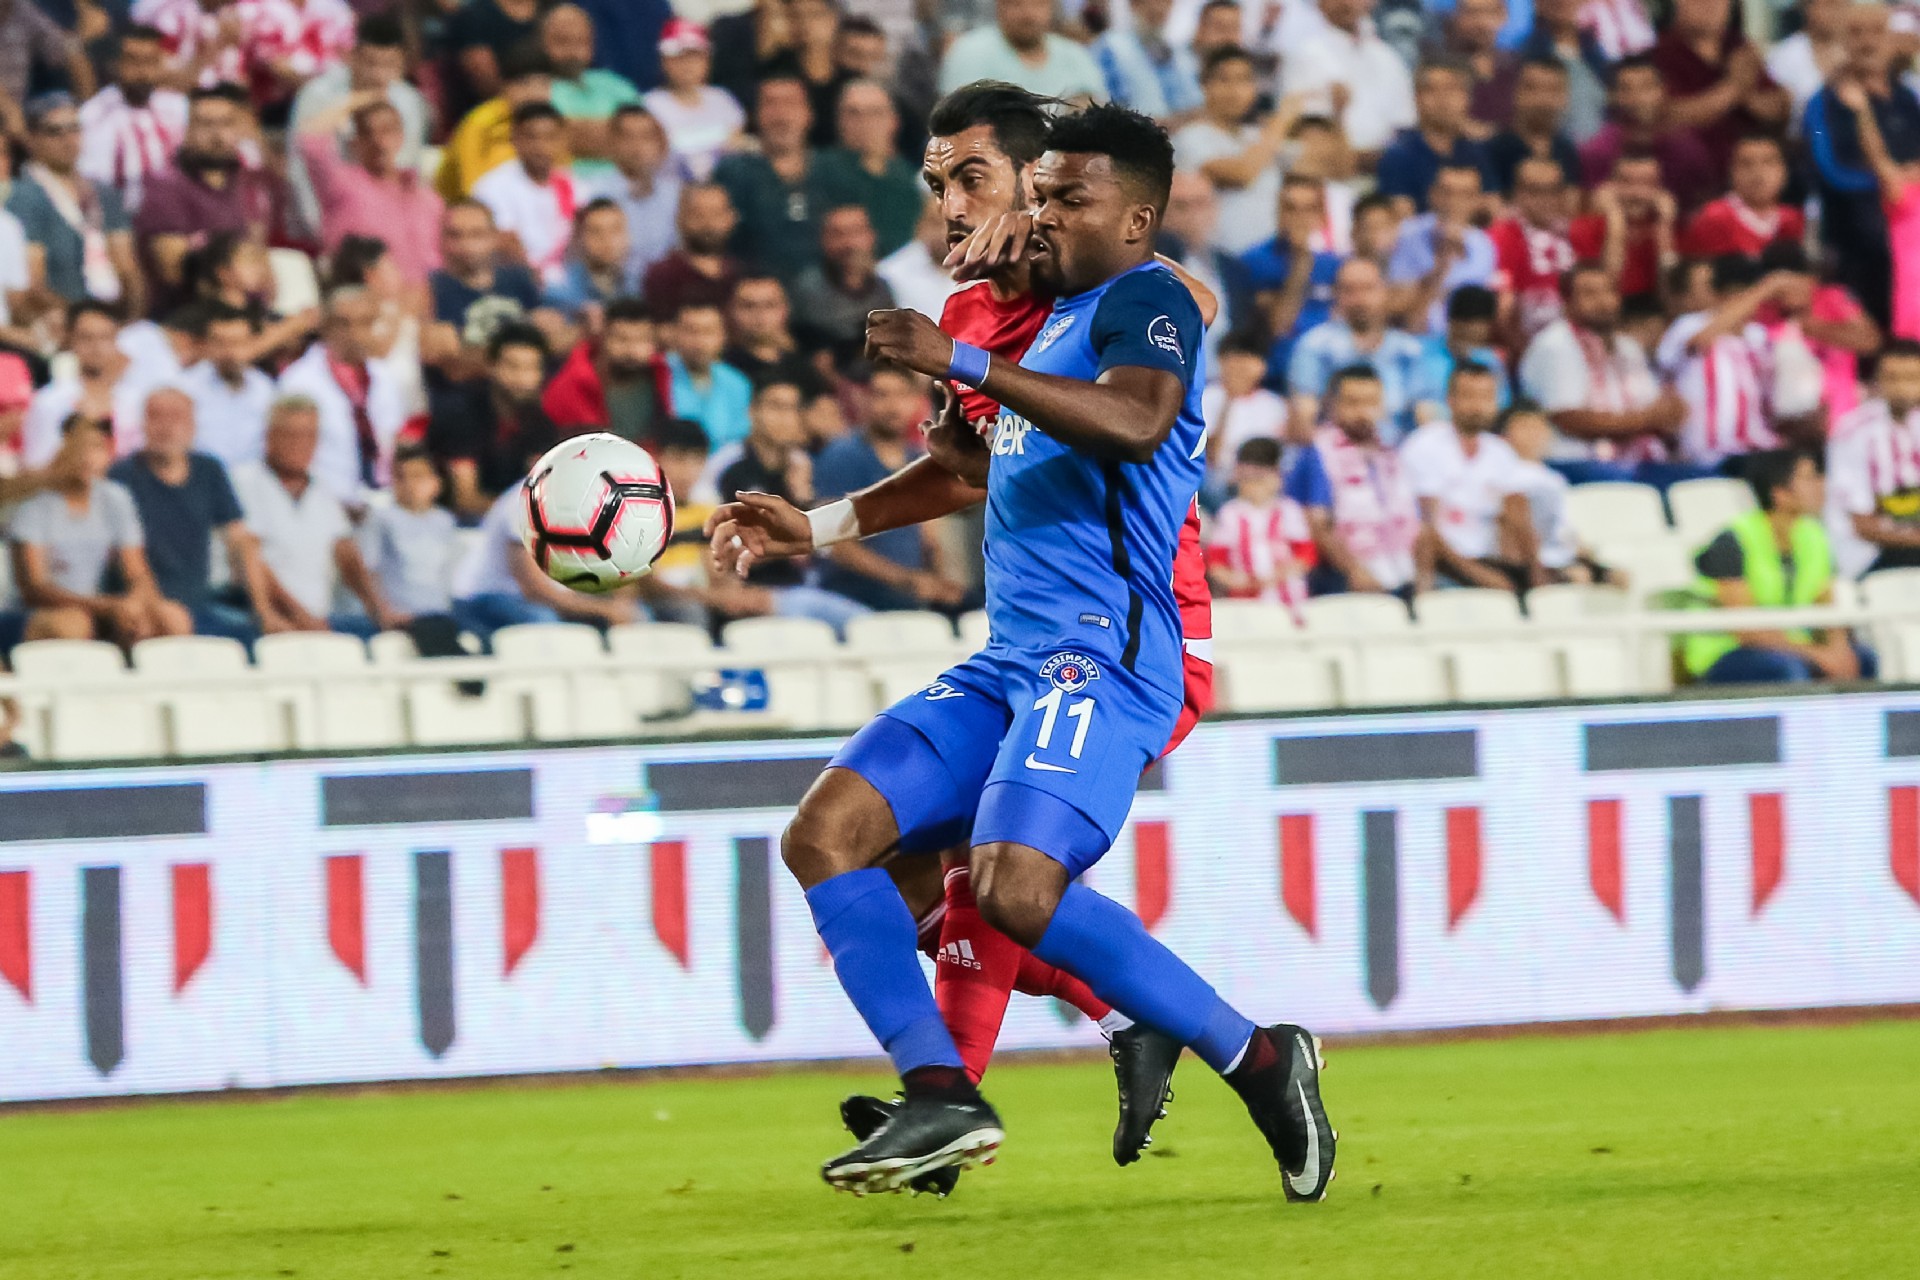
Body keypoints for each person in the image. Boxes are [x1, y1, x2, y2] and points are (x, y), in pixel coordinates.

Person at [713, 101, 1330, 1198]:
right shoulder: (1011, 316)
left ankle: (1256, 1057)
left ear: (1127, 215)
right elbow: (993, 463)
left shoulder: (1143, 296)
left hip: (1114, 651)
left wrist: (960, 358)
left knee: (1004, 882)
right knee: (828, 836)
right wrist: (824, 521)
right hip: (1013, 654)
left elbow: (1137, 415)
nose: (1026, 213)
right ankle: (941, 1094)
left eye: (1049, 194)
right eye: (1036, 195)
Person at [1684, 448, 1870, 685]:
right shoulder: (1733, 540)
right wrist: (1819, 655)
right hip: (1728, 651)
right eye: (1810, 477)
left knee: (1863, 660)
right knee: (1788, 671)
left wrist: (1839, 650)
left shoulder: (1814, 536)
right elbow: (1746, 630)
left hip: (1790, 646)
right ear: (1780, 493)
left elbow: (1826, 604)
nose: (1822, 484)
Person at [107, 385, 268, 642]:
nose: (166, 427)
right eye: (156, 416)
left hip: (201, 605)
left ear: (193, 425)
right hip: (144, 610)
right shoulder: (122, 476)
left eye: (176, 417)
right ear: (143, 423)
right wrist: (160, 610)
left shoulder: (209, 470)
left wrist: (264, 610)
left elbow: (239, 540)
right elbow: (125, 558)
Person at [11, 414, 185, 646]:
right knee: (74, 624)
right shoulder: (35, 503)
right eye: (78, 448)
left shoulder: (115, 497)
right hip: (42, 613)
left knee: (173, 617)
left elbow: (136, 570)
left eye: (96, 448)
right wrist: (106, 606)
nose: (86, 458)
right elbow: (35, 588)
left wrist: (139, 604)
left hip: (98, 608)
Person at [229, 396, 396, 637]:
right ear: (269, 436)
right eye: (291, 435)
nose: (301, 444)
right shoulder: (243, 482)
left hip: (317, 622)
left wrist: (378, 608)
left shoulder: (322, 490)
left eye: (310, 435)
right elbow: (249, 558)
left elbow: (345, 552)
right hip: (261, 623)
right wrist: (299, 615)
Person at [813, 364, 970, 612]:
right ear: (864, 400)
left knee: (975, 607)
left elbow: (931, 539)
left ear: (915, 402)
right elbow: (834, 545)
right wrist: (906, 580)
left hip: (911, 592)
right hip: (853, 593)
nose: (893, 406)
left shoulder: (920, 460)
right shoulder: (842, 456)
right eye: (882, 395)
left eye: (901, 395)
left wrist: (942, 584)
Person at [1517, 261, 1684, 482]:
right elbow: (1569, 419)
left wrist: (1669, 412)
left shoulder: (1628, 347)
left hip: (1635, 461)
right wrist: (1645, 421)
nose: (1603, 301)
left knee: (1696, 479)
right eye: (1590, 294)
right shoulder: (1555, 345)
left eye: (1609, 291)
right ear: (1567, 302)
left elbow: (1656, 408)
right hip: (1574, 464)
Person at [1656, 256, 1819, 471]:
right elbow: (1701, 341)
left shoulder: (1759, 336)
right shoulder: (1688, 325)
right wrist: (1767, 288)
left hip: (1758, 446)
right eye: (1743, 295)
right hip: (1711, 452)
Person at [135, 84, 281, 310]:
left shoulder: (247, 183)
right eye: (205, 124)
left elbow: (260, 259)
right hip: (189, 314)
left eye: (226, 123)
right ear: (187, 130)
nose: (217, 135)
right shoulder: (164, 185)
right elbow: (172, 269)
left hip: (250, 311)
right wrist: (237, 268)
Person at [451, 472, 641, 645]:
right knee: (544, 622)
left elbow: (617, 567)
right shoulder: (525, 501)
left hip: (554, 597)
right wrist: (605, 609)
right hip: (487, 596)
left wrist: (620, 603)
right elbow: (534, 590)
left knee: (639, 614)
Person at [285, 13, 426, 241]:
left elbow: (406, 168)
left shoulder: (409, 102)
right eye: (371, 63)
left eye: (389, 65)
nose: (379, 74)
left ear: (402, 64)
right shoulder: (317, 95)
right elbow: (301, 168)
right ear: (353, 57)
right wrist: (321, 230)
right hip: (327, 222)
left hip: (387, 224)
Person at [1286, 363, 1422, 596]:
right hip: (1345, 577)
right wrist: (1355, 572)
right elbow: (1318, 526)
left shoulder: (1391, 452)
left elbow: (1411, 519)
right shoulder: (1318, 453)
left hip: (1399, 567)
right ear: (1332, 405)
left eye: (1371, 402)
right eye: (1353, 403)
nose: (1363, 412)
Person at [1400, 362, 1533, 592]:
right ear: (1450, 400)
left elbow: (1516, 519)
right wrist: (1485, 578)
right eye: (1469, 396)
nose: (1478, 406)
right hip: (1443, 563)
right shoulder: (1424, 445)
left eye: (1486, 397)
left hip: (1489, 561)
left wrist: (1532, 571)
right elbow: (1427, 530)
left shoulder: (1501, 452)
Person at [9, 92, 142, 313]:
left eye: (74, 129)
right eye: (54, 132)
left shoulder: (104, 192)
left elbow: (127, 268)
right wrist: (78, 321)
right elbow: (33, 285)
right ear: (31, 139)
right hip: (57, 317)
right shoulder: (23, 196)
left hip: (111, 312)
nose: (68, 139)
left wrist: (132, 317)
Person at [297, 89, 443, 284]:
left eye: (387, 131)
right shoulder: (341, 185)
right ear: (355, 142)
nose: (378, 141)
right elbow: (311, 140)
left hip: (427, 293)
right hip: (362, 292)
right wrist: (359, 99)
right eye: (368, 133)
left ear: (400, 136)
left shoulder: (425, 197)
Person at [275, 287, 407, 503]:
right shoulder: (299, 382)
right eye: (344, 324)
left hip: (382, 499)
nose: (354, 333)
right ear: (326, 326)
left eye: (365, 323)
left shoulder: (383, 376)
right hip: (323, 501)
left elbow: (393, 441)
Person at [429, 321, 559, 519]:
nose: (522, 378)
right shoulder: (462, 412)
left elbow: (540, 490)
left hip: (514, 523)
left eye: (531, 368)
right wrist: (523, 510)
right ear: (491, 366)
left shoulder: (541, 424)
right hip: (453, 525)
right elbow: (466, 499)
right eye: (513, 366)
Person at [1288, 257, 1425, 442]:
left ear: (1385, 291)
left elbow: (1426, 414)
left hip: (1396, 450)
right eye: (1349, 290)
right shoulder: (1315, 345)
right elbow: (1304, 415)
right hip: (1333, 448)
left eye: (1368, 288)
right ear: (1336, 294)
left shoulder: (1408, 350)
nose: (1359, 299)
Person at [1648, 0, 1789, 180]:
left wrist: (1749, 96)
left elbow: (1777, 107)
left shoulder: (1739, 48)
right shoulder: (1662, 54)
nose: (1711, 5)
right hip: (1691, 174)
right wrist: (1733, 88)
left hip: (1748, 174)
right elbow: (1668, 115)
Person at [1171, 46, 1286, 256]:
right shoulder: (1191, 137)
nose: (1234, 90)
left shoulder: (1257, 136)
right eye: (1224, 80)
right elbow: (1241, 174)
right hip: (1226, 257)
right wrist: (1283, 118)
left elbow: (1330, 167)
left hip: (1272, 258)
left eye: (1244, 80)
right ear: (1204, 85)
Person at [1232, 174, 1341, 381]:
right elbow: (1278, 327)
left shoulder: (1335, 265)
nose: (1299, 217)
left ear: (1321, 215)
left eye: (1308, 209)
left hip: (1328, 372)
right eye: (1291, 208)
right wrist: (1300, 263)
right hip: (1275, 374)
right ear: (1278, 212)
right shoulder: (1253, 262)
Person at [713, 74, 822, 281]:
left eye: (791, 103)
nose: (781, 115)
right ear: (755, 115)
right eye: (771, 104)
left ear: (809, 114)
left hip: (824, 293)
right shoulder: (733, 172)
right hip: (752, 288)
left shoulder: (831, 170)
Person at [1578, 55, 1717, 215]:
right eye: (1626, 89)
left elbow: (1704, 208)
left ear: (1663, 90)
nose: (1637, 97)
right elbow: (1587, 212)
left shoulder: (1687, 150)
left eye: (1647, 87)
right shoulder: (1598, 151)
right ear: (1614, 96)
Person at [1828, 341, 1920, 578]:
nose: (1902, 387)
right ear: (1877, 381)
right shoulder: (1853, 431)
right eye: (1893, 378)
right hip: (1870, 555)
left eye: (1912, 378)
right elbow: (1862, 524)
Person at [1280, 0, 1415, 160]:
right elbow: (1300, 127)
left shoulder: (1387, 58)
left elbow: (1404, 122)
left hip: (1385, 163)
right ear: (1320, 4)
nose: (1346, 3)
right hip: (1327, 162)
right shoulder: (1304, 53)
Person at [77, 24, 189, 216]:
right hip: (118, 218)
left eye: (150, 62)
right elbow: (93, 183)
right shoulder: (93, 115)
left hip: (176, 215)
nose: (142, 72)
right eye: (133, 61)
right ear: (116, 64)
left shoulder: (179, 109)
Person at [21, 301, 152, 465]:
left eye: (105, 338)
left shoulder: (136, 402)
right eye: (86, 338)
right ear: (70, 340)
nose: (97, 347)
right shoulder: (49, 402)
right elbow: (37, 462)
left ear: (115, 341)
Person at [473, 102, 579, 289]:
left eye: (550, 137)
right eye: (532, 137)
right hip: (516, 284)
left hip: (568, 285)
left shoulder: (572, 186)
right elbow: (505, 244)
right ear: (515, 139)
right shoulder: (492, 187)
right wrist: (537, 285)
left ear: (562, 140)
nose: (541, 146)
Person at [1384, 161, 1498, 336]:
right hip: (1413, 337)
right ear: (1433, 194)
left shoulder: (1484, 245)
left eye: (1465, 195)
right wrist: (1441, 265)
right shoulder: (1406, 235)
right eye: (1447, 193)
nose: (1454, 202)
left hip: (1462, 339)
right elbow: (1396, 311)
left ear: (1477, 200)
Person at [813, 79, 922, 261]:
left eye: (875, 113)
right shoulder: (818, 168)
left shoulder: (908, 177)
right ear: (838, 120)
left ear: (894, 121)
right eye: (853, 113)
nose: (864, 122)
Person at [427, 200, 547, 362]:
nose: (466, 245)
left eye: (476, 234)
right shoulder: (432, 290)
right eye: (455, 235)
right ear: (441, 239)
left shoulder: (519, 279)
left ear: (494, 237)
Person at [435, 44, 556, 202]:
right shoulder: (480, 123)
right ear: (504, 86)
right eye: (524, 84)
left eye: (543, 84)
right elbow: (473, 191)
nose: (534, 93)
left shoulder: (551, 123)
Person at [542, 296, 673, 441]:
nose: (632, 350)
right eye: (621, 339)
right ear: (603, 337)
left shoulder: (663, 375)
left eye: (642, 340)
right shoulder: (571, 385)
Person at [1205, 436, 1311, 614]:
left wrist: (1278, 575)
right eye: (1246, 479)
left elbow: (1305, 554)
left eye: (1259, 479)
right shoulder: (1230, 513)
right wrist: (1235, 580)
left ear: (1277, 477)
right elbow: (1216, 561)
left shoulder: (1288, 510)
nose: (1252, 486)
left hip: (1288, 601)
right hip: (1245, 605)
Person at [358, 445, 460, 629]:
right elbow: (368, 569)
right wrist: (383, 611)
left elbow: (447, 576)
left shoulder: (444, 522)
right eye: (400, 477)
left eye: (417, 476)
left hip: (440, 613)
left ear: (436, 483)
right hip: (402, 616)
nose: (409, 484)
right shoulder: (381, 519)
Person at [1376, 60, 1494, 215]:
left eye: (1452, 89)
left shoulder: (1477, 152)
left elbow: (1492, 209)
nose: (1443, 99)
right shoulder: (1398, 156)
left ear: (1467, 98)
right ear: (1416, 97)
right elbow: (1402, 218)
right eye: (1432, 90)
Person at [541, 3, 642, 184]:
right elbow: (543, 141)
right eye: (563, 41)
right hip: (566, 187)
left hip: (624, 186)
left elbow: (644, 137)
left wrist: (571, 130)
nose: (573, 51)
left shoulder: (616, 85)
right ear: (544, 43)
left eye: (581, 41)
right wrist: (616, 133)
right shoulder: (535, 90)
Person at [1488, 155, 1581, 342]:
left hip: (1575, 338)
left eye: (1553, 191)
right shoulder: (1499, 237)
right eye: (1535, 191)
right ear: (1518, 193)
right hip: (1523, 340)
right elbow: (1501, 310)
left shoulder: (1577, 234)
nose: (1545, 199)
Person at [586, 105, 681, 286]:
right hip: (613, 287)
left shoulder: (675, 194)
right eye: (628, 137)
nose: (637, 146)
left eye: (646, 137)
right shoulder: (593, 191)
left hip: (665, 287)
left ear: (659, 144)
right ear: (612, 142)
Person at [791, 203, 895, 367]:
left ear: (871, 236)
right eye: (838, 234)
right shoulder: (808, 290)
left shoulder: (884, 286)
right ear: (823, 239)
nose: (849, 244)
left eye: (856, 232)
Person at [641, 18, 744, 182]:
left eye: (695, 56)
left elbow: (737, 144)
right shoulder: (649, 105)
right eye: (678, 57)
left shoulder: (722, 99)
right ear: (663, 61)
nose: (687, 64)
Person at [938, 0, 1105, 100]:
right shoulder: (969, 52)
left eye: (1038, 3)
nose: (1028, 14)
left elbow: (1095, 108)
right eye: (1016, 3)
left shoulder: (1076, 55)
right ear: (999, 6)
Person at [178, 302, 274, 471]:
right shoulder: (186, 388)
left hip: (252, 480)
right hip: (203, 477)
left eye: (237, 343)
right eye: (221, 343)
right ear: (208, 345)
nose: (230, 352)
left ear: (251, 344)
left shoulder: (265, 389)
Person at [1681, 134, 1804, 261]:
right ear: (1731, 171)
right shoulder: (1712, 218)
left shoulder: (1795, 219)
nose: (1758, 172)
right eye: (1746, 164)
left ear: (1784, 170)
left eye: (1768, 162)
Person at [642, 181, 743, 321]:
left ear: (731, 217)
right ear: (680, 218)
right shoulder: (662, 276)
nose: (708, 224)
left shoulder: (743, 275)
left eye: (716, 214)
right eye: (698, 215)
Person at [1201, 330, 1287, 489]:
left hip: (1258, 483)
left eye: (1251, 359)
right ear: (1221, 360)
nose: (1242, 366)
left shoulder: (1274, 405)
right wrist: (1229, 401)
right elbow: (1210, 456)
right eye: (1236, 358)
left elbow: (1275, 458)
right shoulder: (1205, 397)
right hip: (1214, 482)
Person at [1410, 284, 1508, 423]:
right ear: (1452, 322)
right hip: (1430, 429)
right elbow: (1418, 406)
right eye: (1465, 327)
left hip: (1479, 428)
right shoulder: (1422, 353)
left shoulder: (1490, 360)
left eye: (1480, 327)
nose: (1471, 333)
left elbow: (1501, 406)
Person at [1485, 56, 1582, 194]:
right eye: (1532, 88)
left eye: (1553, 90)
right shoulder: (1495, 150)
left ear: (1565, 97)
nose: (1543, 99)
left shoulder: (1567, 151)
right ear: (1515, 92)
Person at [665, 301, 753, 451]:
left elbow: (738, 442)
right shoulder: (659, 373)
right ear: (674, 333)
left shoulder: (737, 383)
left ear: (723, 336)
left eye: (708, 332)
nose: (699, 341)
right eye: (691, 331)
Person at [1095, 0, 1203, 122]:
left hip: (1181, 129)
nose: (1160, 9)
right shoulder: (1111, 47)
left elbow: (1194, 102)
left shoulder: (1179, 54)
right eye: (1156, 1)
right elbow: (1102, 100)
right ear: (1134, 4)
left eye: (1167, 2)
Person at [724, 273, 830, 395]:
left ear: (785, 310)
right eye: (748, 306)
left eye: (769, 306)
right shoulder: (721, 367)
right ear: (730, 310)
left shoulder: (803, 369)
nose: (759, 314)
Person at [542, 198, 637, 322]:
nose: (607, 239)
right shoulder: (559, 290)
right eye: (596, 231)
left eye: (615, 230)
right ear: (579, 237)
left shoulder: (639, 284)